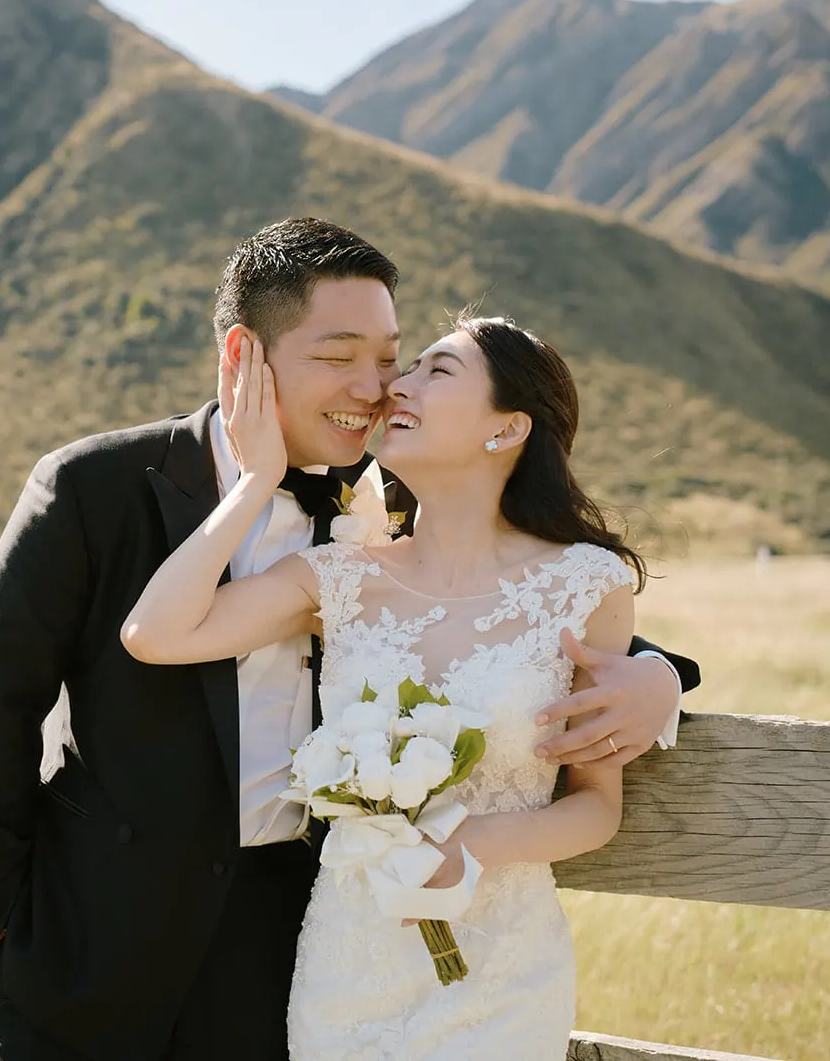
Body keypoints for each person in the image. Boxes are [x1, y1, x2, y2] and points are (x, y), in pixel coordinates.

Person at [0, 218, 698, 1061]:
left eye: (391, 358)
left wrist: (658, 676)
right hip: (92, 935)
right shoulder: (90, 486)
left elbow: (508, 621)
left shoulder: (398, 499)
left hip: (282, 940)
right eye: (341, 357)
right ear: (244, 357)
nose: (377, 389)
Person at [122, 309, 659, 1058]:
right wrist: (254, 483)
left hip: (499, 966)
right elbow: (154, 633)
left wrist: (470, 844)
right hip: (350, 961)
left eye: (435, 371)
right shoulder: (340, 576)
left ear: (506, 428)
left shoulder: (586, 584)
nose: (395, 388)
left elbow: (596, 806)